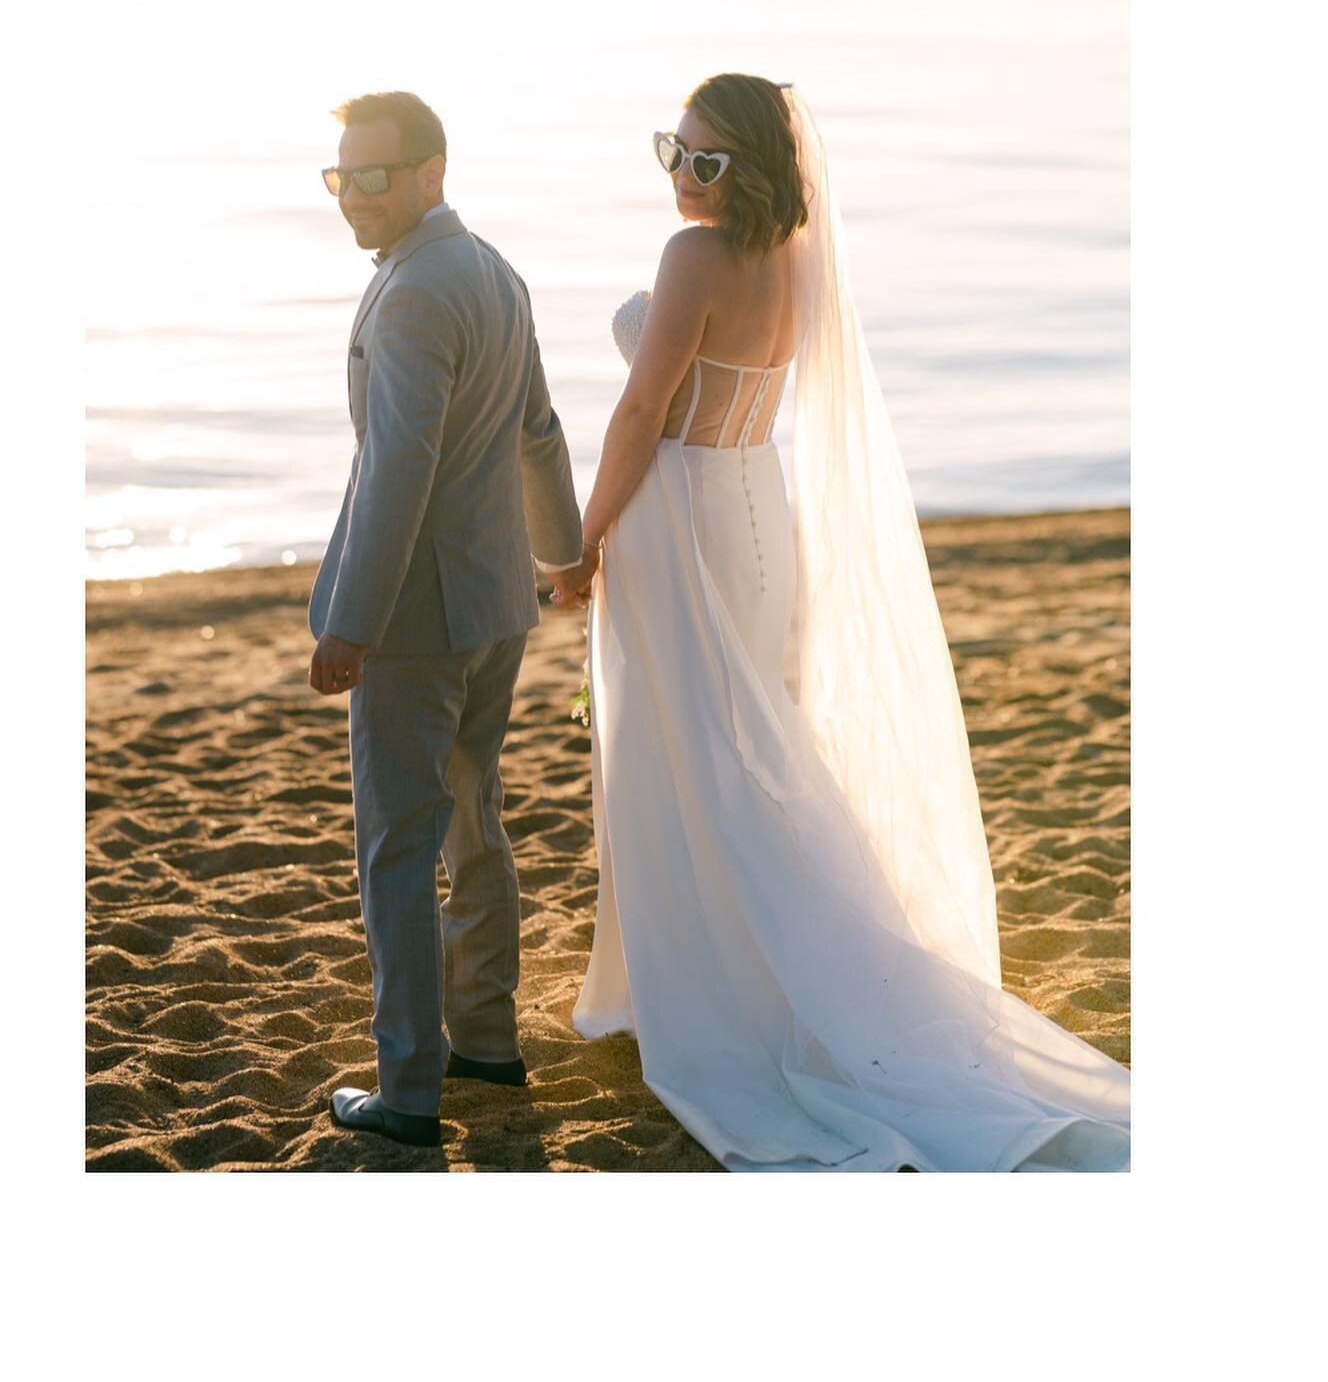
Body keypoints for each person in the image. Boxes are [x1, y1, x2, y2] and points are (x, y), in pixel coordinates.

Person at [547, 74, 1130, 1172]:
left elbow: (641, 408)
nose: (684, 177)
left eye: (707, 161)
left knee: (693, 760)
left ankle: (721, 991)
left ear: (756, 169)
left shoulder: (692, 260)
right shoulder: (802, 258)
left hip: (684, 516)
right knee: (756, 752)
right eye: (672, 153)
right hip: (764, 506)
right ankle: (723, 973)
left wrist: (583, 541)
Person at [308, 89, 582, 1150]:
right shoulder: (497, 273)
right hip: (497, 605)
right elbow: (539, 430)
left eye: (373, 176)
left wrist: (353, 620)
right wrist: (561, 558)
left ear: (431, 173)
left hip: (420, 622)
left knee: (396, 849)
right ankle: (485, 1042)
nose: (353, 198)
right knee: (476, 824)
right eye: (339, 177)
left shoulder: (420, 291)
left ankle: (411, 1090)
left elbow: (400, 470)